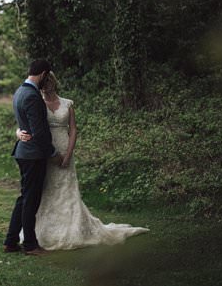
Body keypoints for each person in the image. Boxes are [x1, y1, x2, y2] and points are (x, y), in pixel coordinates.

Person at [16, 72, 149, 250]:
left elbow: (73, 129)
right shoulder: (36, 101)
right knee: (45, 190)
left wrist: (69, 153)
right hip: (44, 152)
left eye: (50, 81)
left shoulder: (67, 103)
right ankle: (41, 231)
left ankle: (71, 227)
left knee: (66, 188)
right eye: (44, 81)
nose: (47, 84)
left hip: (63, 148)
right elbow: (26, 122)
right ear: (40, 83)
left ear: (54, 82)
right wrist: (18, 132)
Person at [3, 59, 63, 256]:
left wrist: (19, 131)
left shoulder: (19, 92)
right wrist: (53, 153)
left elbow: (24, 124)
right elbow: (39, 132)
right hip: (33, 155)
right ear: (44, 73)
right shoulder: (31, 96)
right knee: (31, 200)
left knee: (24, 198)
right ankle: (30, 245)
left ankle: (11, 241)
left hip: (24, 152)